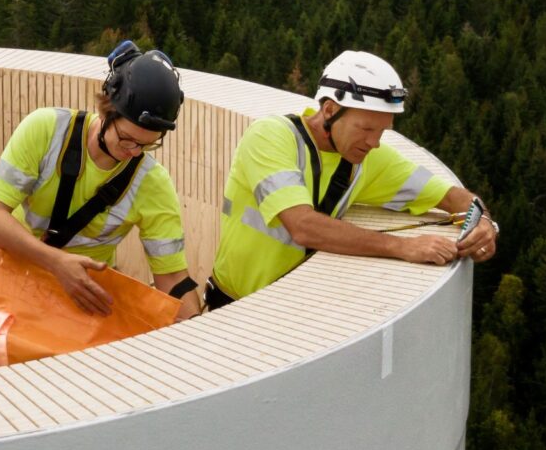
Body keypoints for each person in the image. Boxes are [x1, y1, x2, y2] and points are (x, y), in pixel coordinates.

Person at [207, 49, 498, 308]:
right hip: (233, 305)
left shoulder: (365, 158)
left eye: (383, 131)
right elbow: (303, 226)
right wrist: (402, 247)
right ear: (330, 110)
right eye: (366, 129)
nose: (374, 142)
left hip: (288, 311)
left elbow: (451, 197)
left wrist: (483, 221)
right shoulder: (271, 137)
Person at [0, 41, 201, 319]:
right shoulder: (46, 131)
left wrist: (198, 331)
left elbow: (172, 277)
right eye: (126, 139)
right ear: (107, 111)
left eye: (146, 145)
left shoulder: (152, 183)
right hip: (13, 276)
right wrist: (56, 262)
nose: (133, 153)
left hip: (84, 299)